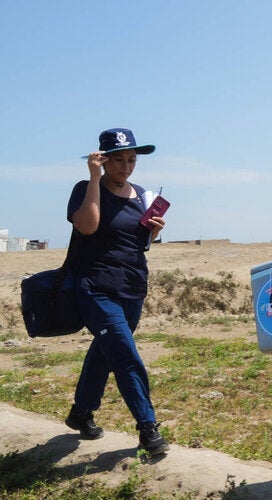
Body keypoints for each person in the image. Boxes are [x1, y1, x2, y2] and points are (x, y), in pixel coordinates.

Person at [64, 128, 169, 456]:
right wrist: (94, 179)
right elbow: (88, 226)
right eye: (119, 160)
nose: (126, 167)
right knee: (124, 354)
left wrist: (154, 232)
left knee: (105, 351)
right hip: (96, 288)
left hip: (133, 287)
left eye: (131, 160)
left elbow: (140, 244)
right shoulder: (85, 189)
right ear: (103, 160)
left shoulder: (142, 196)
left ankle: (81, 412)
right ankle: (147, 426)